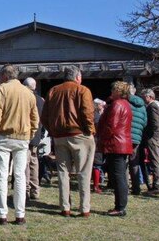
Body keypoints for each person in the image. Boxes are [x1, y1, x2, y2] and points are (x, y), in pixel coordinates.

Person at [0, 64, 39, 226]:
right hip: (22, 138)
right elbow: (35, 118)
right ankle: (20, 215)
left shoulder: (2, 90)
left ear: (4, 76)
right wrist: (30, 134)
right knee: (20, 176)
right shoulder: (28, 93)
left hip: (3, 136)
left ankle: (1, 214)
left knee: (1, 176)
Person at [41, 66, 96, 216]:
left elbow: (44, 116)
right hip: (80, 135)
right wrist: (90, 130)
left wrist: (52, 131)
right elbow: (87, 112)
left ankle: (65, 207)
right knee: (83, 172)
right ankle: (84, 208)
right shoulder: (83, 90)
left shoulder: (53, 91)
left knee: (62, 172)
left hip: (59, 137)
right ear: (78, 77)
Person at [97, 81, 134, 216]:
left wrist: (102, 138)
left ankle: (120, 207)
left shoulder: (117, 105)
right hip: (122, 143)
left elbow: (110, 126)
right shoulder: (125, 105)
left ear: (118, 91)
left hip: (116, 144)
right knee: (119, 176)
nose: (111, 92)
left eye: (114, 90)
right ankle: (120, 205)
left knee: (118, 177)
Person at [23, 78, 45, 201]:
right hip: (36, 135)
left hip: (27, 134)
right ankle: (35, 190)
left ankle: (25, 190)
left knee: (25, 164)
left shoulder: (26, 98)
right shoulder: (41, 100)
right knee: (34, 162)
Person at [139, 88, 159, 194]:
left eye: (144, 96)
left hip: (152, 138)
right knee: (154, 161)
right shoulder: (151, 106)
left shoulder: (153, 107)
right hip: (153, 137)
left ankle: (157, 185)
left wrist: (150, 136)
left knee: (155, 161)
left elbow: (156, 124)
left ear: (149, 96)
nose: (143, 98)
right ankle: (156, 185)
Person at [127, 84, 147, 195]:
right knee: (134, 162)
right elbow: (145, 122)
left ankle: (124, 186)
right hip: (137, 137)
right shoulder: (142, 105)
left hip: (125, 136)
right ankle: (136, 187)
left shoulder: (126, 103)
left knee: (123, 162)